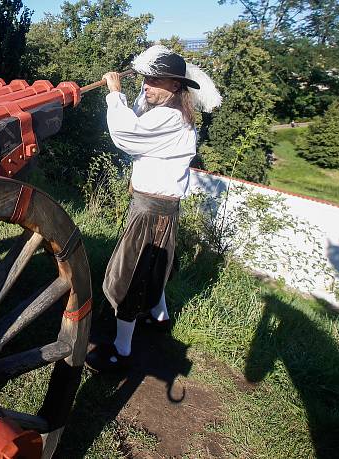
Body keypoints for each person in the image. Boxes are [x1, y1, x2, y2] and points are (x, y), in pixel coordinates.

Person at [85, 45, 221, 372]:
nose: (147, 85)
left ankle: (121, 351)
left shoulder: (170, 118)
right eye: (146, 78)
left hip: (152, 213)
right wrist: (132, 94)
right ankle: (159, 319)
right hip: (155, 208)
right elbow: (140, 115)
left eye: (155, 81)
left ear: (176, 86)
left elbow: (126, 133)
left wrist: (115, 92)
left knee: (130, 277)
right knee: (152, 270)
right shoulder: (169, 111)